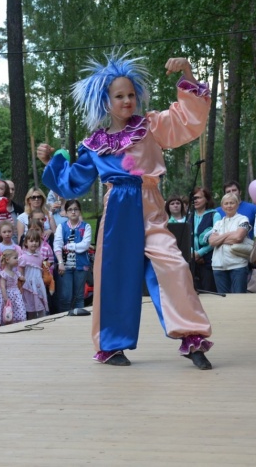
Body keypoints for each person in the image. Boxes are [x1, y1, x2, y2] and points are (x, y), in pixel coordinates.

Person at [38, 52, 214, 369]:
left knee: (173, 265)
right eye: (120, 96)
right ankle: (113, 343)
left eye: (131, 94)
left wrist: (187, 71)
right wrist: (52, 162)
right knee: (115, 275)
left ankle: (191, 337)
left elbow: (185, 121)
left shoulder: (150, 126)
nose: (127, 100)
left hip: (149, 206)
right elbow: (72, 184)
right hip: (117, 209)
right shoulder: (95, 145)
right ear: (106, 101)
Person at [53, 199, 92, 314]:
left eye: (75, 209)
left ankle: (78, 321)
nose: (73, 212)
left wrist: (68, 246)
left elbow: (85, 245)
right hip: (65, 266)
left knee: (79, 297)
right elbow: (57, 244)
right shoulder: (62, 227)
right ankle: (64, 319)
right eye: (70, 210)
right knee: (65, 296)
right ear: (66, 212)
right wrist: (60, 262)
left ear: (79, 211)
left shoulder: (86, 227)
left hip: (81, 266)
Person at [208, 193, 251, 294]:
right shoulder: (218, 223)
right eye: (226, 203)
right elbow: (211, 242)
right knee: (223, 301)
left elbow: (238, 237)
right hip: (218, 266)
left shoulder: (243, 219)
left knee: (239, 299)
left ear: (237, 204)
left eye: (232, 203)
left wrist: (220, 238)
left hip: (238, 265)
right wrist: (229, 235)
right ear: (222, 206)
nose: (229, 206)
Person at [191, 187, 218, 292]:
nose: (195, 200)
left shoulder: (214, 215)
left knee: (209, 292)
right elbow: (185, 238)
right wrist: (193, 253)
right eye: (193, 198)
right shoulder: (190, 216)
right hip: (193, 263)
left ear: (207, 199)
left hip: (209, 262)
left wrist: (200, 253)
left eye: (198, 198)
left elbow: (216, 238)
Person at [0, 249, 25, 326]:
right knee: (6, 312)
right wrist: (5, 299)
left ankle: (16, 325)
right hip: (7, 295)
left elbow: (21, 282)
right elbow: (2, 286)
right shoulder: (3, 274)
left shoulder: (16, 273)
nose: (17, 260)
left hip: (15, 295)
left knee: (18, 311)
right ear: (8, 260)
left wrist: (23, 279)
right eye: (15, 258)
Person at [19, 228, 48, 320]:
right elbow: (20, 271)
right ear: (26, 243)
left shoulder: (40, 256)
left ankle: (42, 322)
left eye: (36, 241)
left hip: (38, 284)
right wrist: (21, 283)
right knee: (30, 307)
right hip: (28, 285)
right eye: (31, 241)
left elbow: (42, 270)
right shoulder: (23, 257)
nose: (34, 243)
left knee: (40, 306)